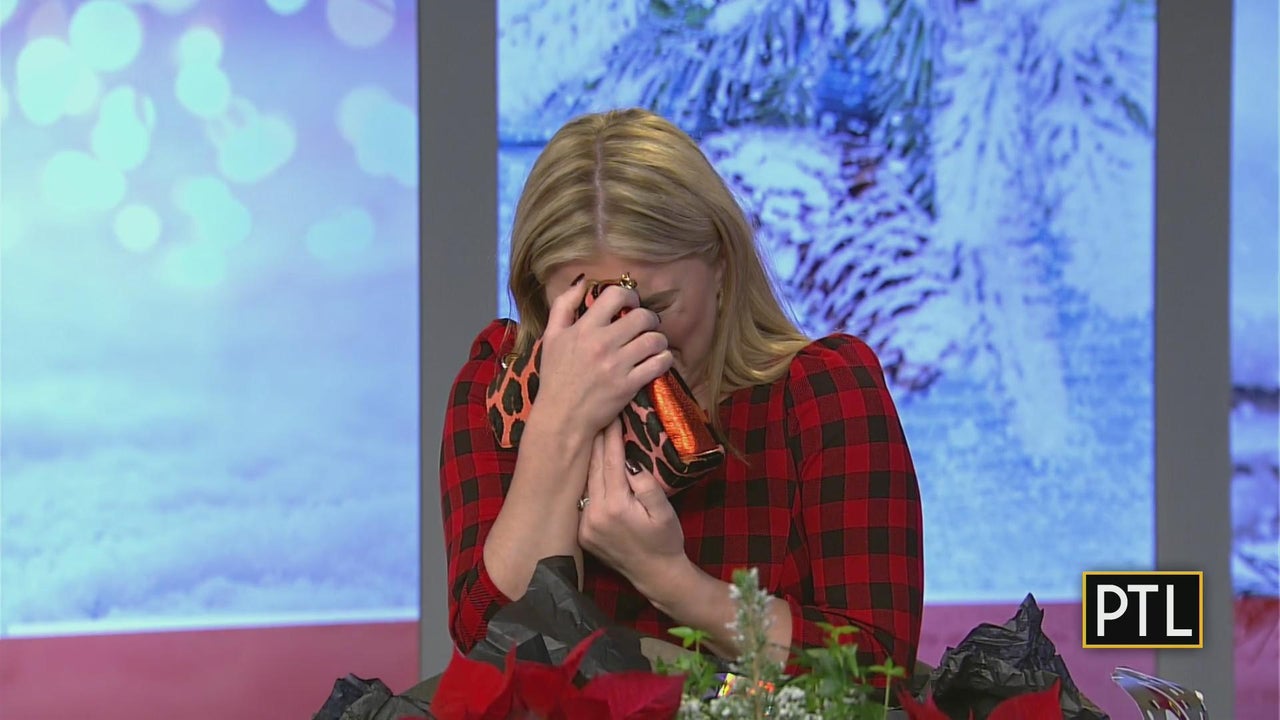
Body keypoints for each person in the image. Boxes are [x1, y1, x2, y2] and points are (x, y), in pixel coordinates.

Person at [439, 108, 923, 674]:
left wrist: (669, 579)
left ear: (720, 264)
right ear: (539, 294)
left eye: (655, 306)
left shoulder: (821, 393)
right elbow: (490, 646)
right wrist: (559, 427)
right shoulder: (499, 395)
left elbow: (875, 667)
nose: (629, 339)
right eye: (591, 311)